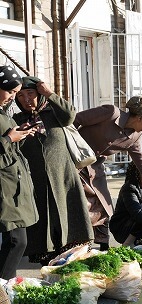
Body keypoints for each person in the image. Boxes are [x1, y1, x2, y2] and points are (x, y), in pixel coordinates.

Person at [13, 76, 94, 264]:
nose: (26, 100)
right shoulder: (17, 120)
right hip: (37, 182)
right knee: (44, 226)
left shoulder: (54, 113)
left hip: (64, 177)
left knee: (69, 220)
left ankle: (70, 258)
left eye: (31, 94)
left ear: (39, 94)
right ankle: (48, 260)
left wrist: (49, 93)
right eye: (21, 96)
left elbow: (70, 115)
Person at [74, 95, 142, 250]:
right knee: (81, 204)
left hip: (94, 167)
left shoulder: (135, 135)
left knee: (104, 205)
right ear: (139, 118)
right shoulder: (111, 113)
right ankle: (77, 244)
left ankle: (102, 246)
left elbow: (141, 162)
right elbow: (76, 120)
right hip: (73, 161)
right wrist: (70, 143)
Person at [0, 66, 39, 279]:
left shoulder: (3, 112)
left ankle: (6, 294)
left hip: (12, 185)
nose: (13, 98)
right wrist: (9, 139)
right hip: (5, 188)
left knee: (16, 241)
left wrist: (19, 135)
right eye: (11, 92)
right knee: (17, 241)